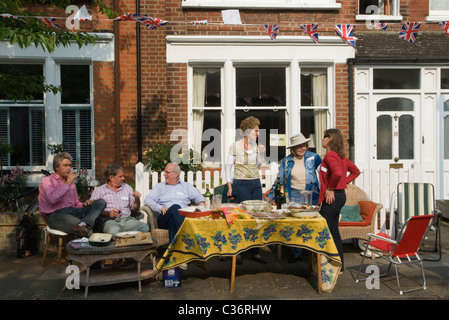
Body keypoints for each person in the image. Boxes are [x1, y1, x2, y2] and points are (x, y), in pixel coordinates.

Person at [266, 133, 322, 263]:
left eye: (304, 145)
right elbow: (279, 181)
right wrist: (270, 197)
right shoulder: (287, 161)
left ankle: (313, 254)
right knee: (295, 225)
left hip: (311, 194)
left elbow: (325, 173)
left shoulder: (314, 158)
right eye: (299, 146)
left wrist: (330, 189)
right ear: (293, 148)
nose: (302, 148)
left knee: (312, 224)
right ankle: (296, 253)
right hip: (294, 195)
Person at [225, 116, 267, 264]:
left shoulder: (256, 147)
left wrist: (261, 154)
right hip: (240, 184)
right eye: (256, 130)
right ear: (248, 131)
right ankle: (239, 252)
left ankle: (255, 251)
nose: (258, 133)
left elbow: (257, 167)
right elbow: (228, 167)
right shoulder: (235, 146)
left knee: (256, 216)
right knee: (241, 217)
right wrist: (230, 185)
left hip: (255, 183)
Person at [319, 128, 360, 272]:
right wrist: (344, 182)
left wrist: (331, 188)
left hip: (333, 196)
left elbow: (337, 173)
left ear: (329, 138)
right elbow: (355, 171)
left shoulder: (330, 155)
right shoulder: (340, 156)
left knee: (323, 229)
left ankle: (328, 265)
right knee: (334, 231)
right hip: (339, 195)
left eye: (324, 137)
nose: (322, 139)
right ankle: (339, 266)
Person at [38, 152, 106, 237]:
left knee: (100, 202)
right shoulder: (47, 181)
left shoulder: (71, 183)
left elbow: (76, 203)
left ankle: (85, 224)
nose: (68, 168)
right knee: (89, 229)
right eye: (65, 165)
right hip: (56, 216)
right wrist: (67, 184)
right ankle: (85, 229)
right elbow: (52, 199)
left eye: (70, 165)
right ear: (57, 167)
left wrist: (83, 204)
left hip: (73, 212)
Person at [144, 162, 205, 243]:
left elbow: (198, 196)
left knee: (172, 221)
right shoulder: (159, 187)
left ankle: (174, 251)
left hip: (180, 217)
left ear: (176, 174)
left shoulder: (186, 186)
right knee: (175, 208)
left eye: (167, 172)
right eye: (164, 172)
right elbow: (148, 200)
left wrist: (201, 203)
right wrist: (161, 208)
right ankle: (188, 234)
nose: (164, 174)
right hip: (164, 217)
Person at [90, 163, 149, 236]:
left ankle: (131, 245)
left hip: (127, 220)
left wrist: (137, 199)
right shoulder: (99, 191)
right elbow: (92, 210)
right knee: (114, 231)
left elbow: (135, 209)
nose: (123, 178)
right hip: (109, 221)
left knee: (145, 228)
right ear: (111, 178)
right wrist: (108, 214)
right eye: (120, 176)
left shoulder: (127, 188)